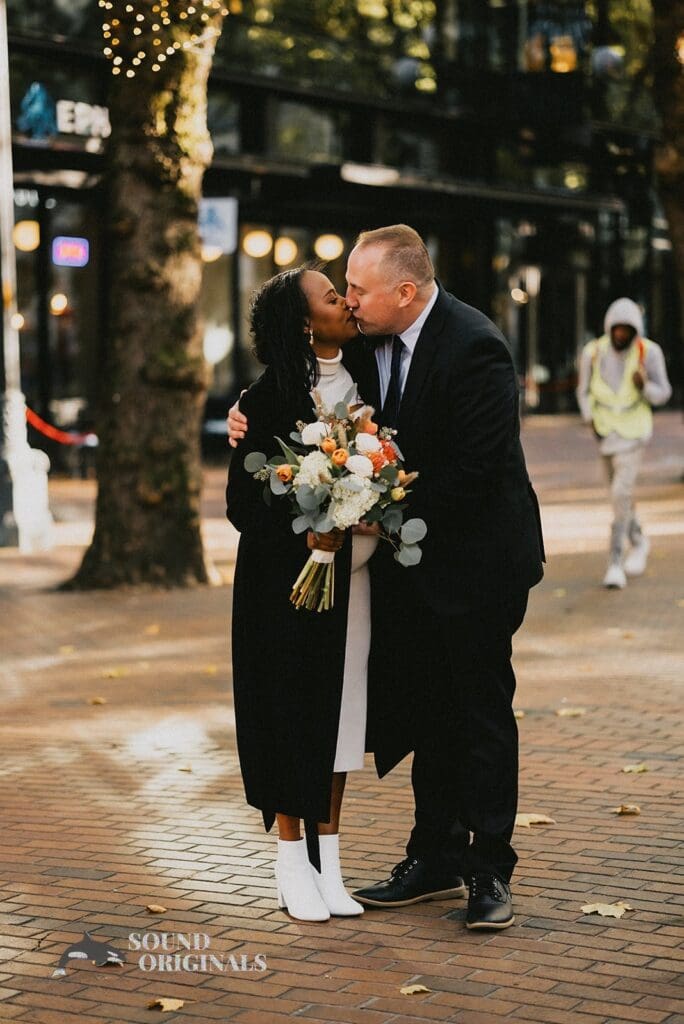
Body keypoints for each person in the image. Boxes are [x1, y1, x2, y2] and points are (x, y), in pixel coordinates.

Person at [229, 224, 545, 931]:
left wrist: (376, 509)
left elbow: (474, 470)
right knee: (430, 708)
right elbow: (300, 385)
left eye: (361, 292)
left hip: (480, 562)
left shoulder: (476, 346)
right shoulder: (369, 345)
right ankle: (434, 855)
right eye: (343, 293)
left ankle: (490, 867)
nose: (352, 303)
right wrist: (246, 416)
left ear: (406, 292)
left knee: (480, 712)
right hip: (412, 570)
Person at [226, 266, 380, 923]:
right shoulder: (264, 399)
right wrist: (309, 534)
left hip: (358, 584)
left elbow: (391, 467)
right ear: (303, 322)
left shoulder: (373, 380)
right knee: (289, 709)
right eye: (329, 297)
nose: (345, 303)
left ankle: (331, 859)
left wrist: (374, 501)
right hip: (283, 588)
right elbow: (242, 503)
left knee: (343, 713)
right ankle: (291, 859)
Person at [576, 298, 672, 590]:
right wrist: (589, 418)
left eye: (626, 330)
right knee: (620, 497)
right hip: (605, 435)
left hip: (634, 434)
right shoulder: (592, 352)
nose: (620, 335)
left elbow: (663, 393)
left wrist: (645, 386)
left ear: (634, 330)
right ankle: (640, 540)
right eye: (616, 329)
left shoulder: (649, 352)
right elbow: (582, 391)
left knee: (620, 494)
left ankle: (615, 562)